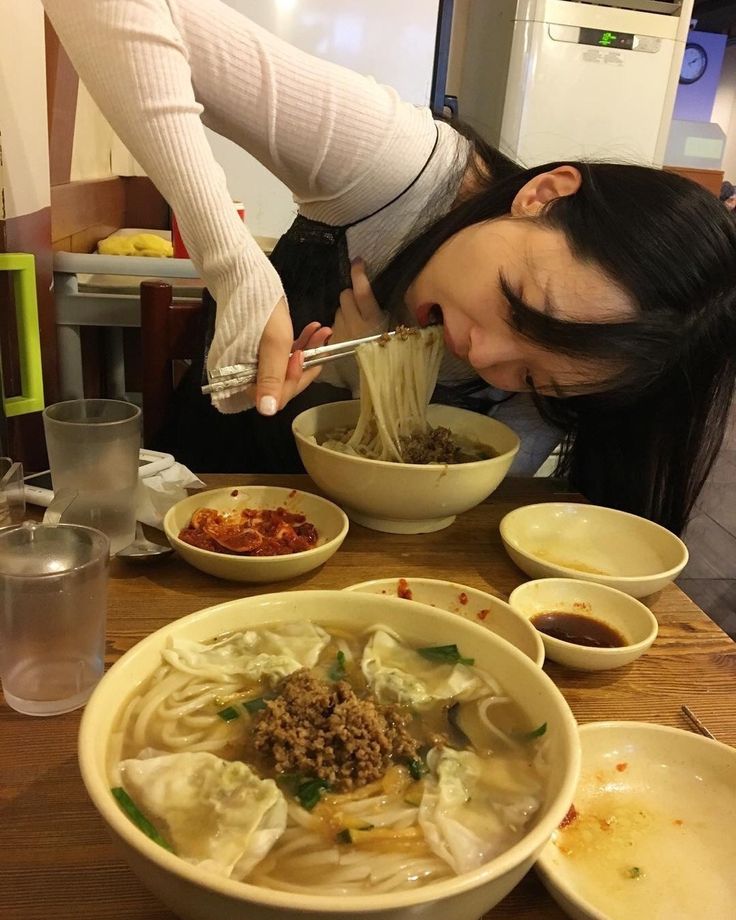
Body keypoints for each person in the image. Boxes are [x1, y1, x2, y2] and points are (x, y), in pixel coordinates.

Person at [43, 0, 736, 536]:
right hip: (209, 509)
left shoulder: (586, 373)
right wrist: (233, 264)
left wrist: (361, 386)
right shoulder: (400, 167)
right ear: (542, 196)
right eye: (518, 303)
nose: (484, 353)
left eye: (530, 377)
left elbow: (466, 495)